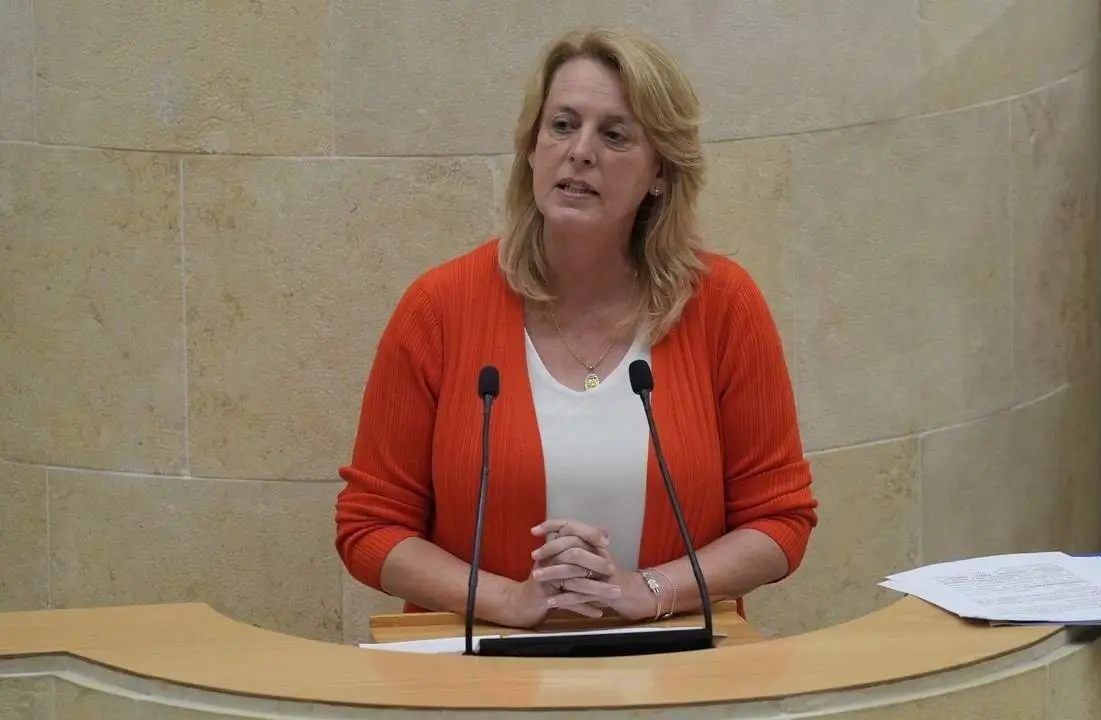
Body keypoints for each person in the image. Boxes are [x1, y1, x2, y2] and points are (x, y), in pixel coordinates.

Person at [334, 26, 817, 630]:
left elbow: (780, 521)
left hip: (672, 664)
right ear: (531, 149)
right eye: (562, 125)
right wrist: (508, 601)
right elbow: (371, 527)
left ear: (660, 171)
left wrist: (649, 591)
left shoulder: (722, 305)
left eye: (614, 135)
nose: (581, 151)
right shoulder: (440, 307)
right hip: (484, 667)